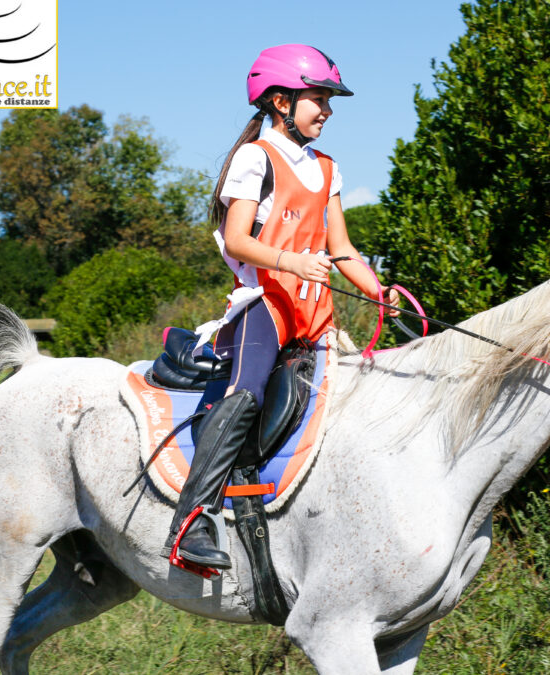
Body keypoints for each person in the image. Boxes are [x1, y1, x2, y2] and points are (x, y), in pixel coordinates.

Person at [163, 44, 400, 570]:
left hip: (315, 315)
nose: (328, 111)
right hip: (265, 305)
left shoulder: (328, 168)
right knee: (246, 395)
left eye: (328, 101)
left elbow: (341, 250)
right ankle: (190, 521)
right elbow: (237, 238)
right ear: (280, 102)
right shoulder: (256, 159)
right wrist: (292, 262)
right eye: (319, 99)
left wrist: (380, 291)